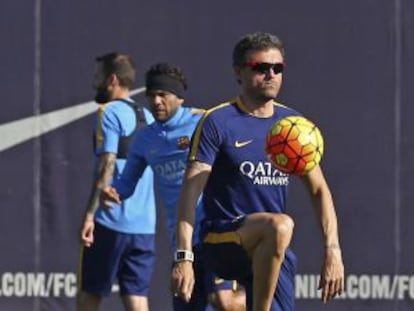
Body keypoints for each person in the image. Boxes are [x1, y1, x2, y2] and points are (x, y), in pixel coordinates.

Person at [170, 32, 345, 311]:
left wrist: (332, 250)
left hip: (272, 248)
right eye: (261, 68)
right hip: (222, 240)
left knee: (278, 231)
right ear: (239, 72)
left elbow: (319, 189)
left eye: (277, 68)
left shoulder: (293, 125)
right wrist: (183, 257)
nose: (271, 75)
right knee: (280, 224)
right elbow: (191, 192)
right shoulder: (218, 121)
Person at [101, 62, 245, 311]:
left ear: (178, 97)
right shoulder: (145, 139)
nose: (156, 101)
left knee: (223, 301)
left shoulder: (204, 122)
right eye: (151, 96)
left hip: (217, 231)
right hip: (182, 242)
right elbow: (127, 184)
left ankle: (266, 298)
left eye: (162, 95)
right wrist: (115, 192)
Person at [77, 52, 156, 311]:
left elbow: (106, 165)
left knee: (89, 295)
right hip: (144, 227)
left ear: (112, 80)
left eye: (97, 77)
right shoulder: (149, 115)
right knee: (137, 298)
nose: (93, 83)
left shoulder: (108, 112)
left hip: (110, 221)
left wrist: (90, 215)